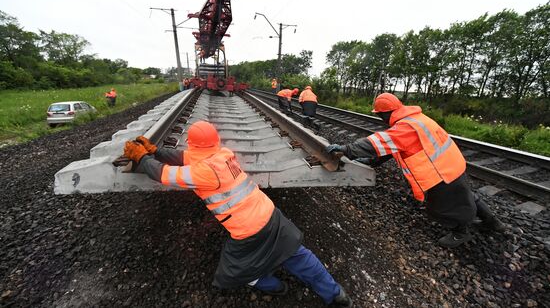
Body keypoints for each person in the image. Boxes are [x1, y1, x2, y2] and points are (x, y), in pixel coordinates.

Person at [123, 121, 353, 307]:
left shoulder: (204, 171)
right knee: (298, 255)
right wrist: (156, 151)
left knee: (234, 271)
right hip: (270, 214)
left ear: (192, 145)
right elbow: (185, 158)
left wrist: (142, 158)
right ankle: (335, 294)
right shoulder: (223, 153)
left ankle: (274, 286)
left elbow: (163, 174)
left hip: (248, 232)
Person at [326, 93, 505, 248]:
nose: (381, 119)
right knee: (464, 194)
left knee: (445, 205)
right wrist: (372, 161)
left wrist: (346, 149)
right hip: (452, 163)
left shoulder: (405, 126)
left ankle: (461, 231)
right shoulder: (416, 118)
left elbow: (379, 142)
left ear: (385, 113)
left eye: (381, 116)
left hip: (439, 171)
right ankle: (493, 222)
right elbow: (396, 148)